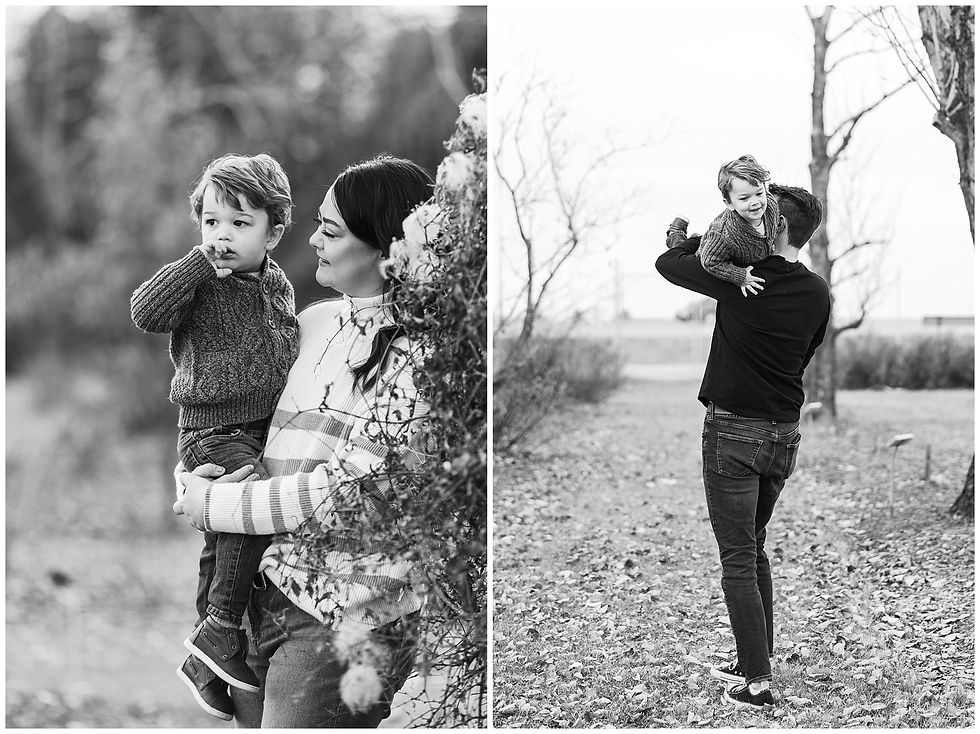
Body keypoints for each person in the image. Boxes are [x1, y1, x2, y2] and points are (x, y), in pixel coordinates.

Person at [172, 154, 435, 727]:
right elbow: (241, 426)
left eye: (332, 231)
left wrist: (211, 505)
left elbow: (352, 492)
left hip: (346, 613)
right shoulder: (312, 323)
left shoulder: (423, 355)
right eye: (317, 222)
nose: (311, 238)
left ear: (387, 246)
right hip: (261, 589)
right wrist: (195, 476)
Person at [130, 153, 299, 718]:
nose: (221, 235)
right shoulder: (201, 281)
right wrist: (195, 266)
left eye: (239, 223)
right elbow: (144, 311)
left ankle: (206, 652)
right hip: (211, 429)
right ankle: (221, 626)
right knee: (249, 500)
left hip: (259, 428)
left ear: (273, 231)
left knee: (221, 538)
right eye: (211, 221)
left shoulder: (277, 284)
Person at [655, 183, 831, 711]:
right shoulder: (818, 291)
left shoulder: (742, 283)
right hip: (783, 434)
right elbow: (809, 350)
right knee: (752, 545)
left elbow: (669, 261)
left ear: (771, 222)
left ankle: (756, 684)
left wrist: (711, 235)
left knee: (737, 555)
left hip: (733, 431)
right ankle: (756, 655)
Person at [668, 155, 781, 297]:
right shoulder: (724, 235)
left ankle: (698, 239)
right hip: (710, 259)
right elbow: (711, 262)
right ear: (729, 203)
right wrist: (740, 277)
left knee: (710, 243)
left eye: (759, 193)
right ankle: (675, 235)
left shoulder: (771, 206)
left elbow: (773, 223)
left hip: (729, 250)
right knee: (685, 257)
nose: (755, 202)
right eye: (745, 198)